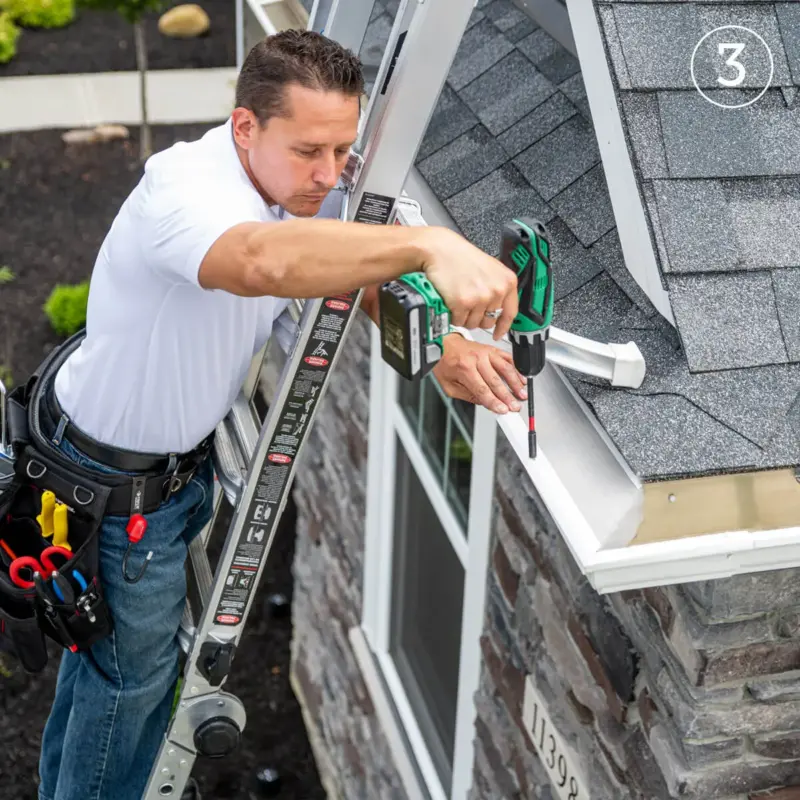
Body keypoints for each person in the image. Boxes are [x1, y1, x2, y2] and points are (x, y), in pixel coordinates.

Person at [36, 29, 528, 800]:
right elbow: (267, 262)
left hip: (162, 470)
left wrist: (438, 353)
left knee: (103, 675)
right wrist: (428, 245)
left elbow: (335, 263)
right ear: (245, 127)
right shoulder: (188, 192)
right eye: (311, 152)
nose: (329, 174)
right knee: (130, 686)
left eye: (342, 151)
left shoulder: (286, 182)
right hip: (114, 486)